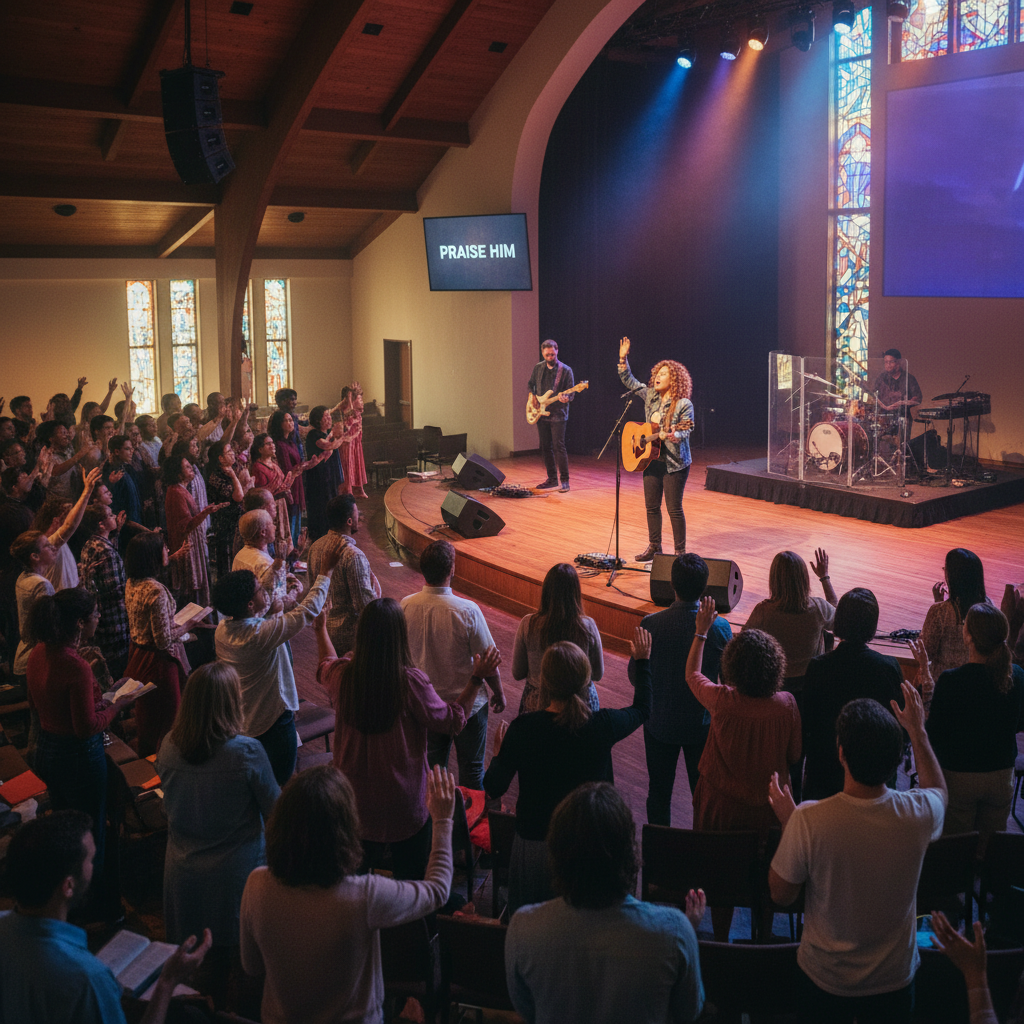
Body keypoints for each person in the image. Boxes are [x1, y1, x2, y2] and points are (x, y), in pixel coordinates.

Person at [768, 682, 947, 1023]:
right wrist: (918, 732)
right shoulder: (920, 813)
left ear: (841, 754)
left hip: (824, 980)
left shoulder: (807, 819)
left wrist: (790, 826)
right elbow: (938, 789)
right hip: (895, 981)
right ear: (898, 758)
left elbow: (781, 893)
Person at [240, 765, 456, 1024]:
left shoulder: (256, 884)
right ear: (345, 830)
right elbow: (438, 890)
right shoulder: (364, 896)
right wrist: (442, 821)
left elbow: (251, 967)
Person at [317, 597, 495, 880]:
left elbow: (325, 664)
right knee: (411, 884)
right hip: (405, 803)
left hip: (354, 801)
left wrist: (320, 630)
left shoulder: (343, 676)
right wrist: (475, 679)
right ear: (400, 636)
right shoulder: (411, 682)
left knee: (352, 883)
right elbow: (452, 721)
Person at [505, 783, 705, 1024]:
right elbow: (688, 1011)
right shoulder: (675, 932)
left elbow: (527, 1009)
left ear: (557, 852)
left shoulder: (523, 928)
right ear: (630, 854)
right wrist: (686, 930)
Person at [484, 630, 652, 914]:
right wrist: (643, 661)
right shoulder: (603, 725)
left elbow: (494, 786)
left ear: (545, 683)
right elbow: (643, 709)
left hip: (535, 847)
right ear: (586, 682)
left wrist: (498, 756)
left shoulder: (523, 729)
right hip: (590, 847)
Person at [0, 810, 212, 1024]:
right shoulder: (86, 979)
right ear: (69, 885)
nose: (94, 866)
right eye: (91, 860)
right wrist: (168, 981)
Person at [157, 661, 279, 989]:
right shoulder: (246, 752)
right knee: (242, 968)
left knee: (194, 970)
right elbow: (276, 810)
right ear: (231, 702)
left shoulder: (168, 745)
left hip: (183, 872)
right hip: (236, 875)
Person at [686, 596, 801, 940]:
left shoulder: (722, 700)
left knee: (721, 878)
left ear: (732, 666)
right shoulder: (786, 704)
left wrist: (701, 633)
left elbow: (692, 674)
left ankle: (720, 939)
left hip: (719, 809)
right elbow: (795, 755)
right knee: (767, 879)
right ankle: (762, 939)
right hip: (769, 811)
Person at [26, 588, 144, 914]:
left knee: (65, 834)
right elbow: (86, 727)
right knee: (93, 836)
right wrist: (118, 705)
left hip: (47, 751)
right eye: (95, 613)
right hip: (79, 759)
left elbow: (39, 705)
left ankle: (67, 903)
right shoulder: (76, 666)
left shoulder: (38, 652)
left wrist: (101, 701)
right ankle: (103, 907)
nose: (100, 617)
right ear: (80, 622)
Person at [628, 553, 733, 826]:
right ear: (706, 586)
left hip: (659, 723)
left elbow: (635, 676)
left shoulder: (650, 624)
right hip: (700, 727)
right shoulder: (720, 628)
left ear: (672, 585)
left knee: (658, 793)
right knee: (702, 794)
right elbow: (728, 684)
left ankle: (658, 853)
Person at [213, 563, 335, 786]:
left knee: (257, 783)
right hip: (274, 724)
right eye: (260, 590)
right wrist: (326, 573)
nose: (265, 592)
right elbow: (306, 612)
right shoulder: (259, 635)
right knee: (281, 782)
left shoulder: (222, 630)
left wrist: (270, 611)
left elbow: (257, 623)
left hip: (243, 719)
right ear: (250, 605)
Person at [401, 539, 505, 789]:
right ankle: (471, 825)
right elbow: (488, 660)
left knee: (435, 774)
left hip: (426, 705)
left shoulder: (404, 605)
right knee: (472, 771)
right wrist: (499, 693)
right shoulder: (467, 610)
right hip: (468, 705)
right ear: (452, 570)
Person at [925, 603, 1024, 837]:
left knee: (958, 849)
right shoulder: (1018, 675)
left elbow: (934, 735)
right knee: (989, 852)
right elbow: (1021, 723)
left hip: (960, 776)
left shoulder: (951, 681)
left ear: (968, 636)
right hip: (1002, 774)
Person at [801, 588, 904, 801]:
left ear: (839, 621)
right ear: (872, 627)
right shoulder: (888, 667)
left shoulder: (817, 667)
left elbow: (807, 725)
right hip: (874, 779)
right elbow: (900, 726)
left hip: (823, 776)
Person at [11, 467, 101, 683]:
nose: (52, 546)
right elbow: (48, 628)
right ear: (35, 556)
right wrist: (87, 490)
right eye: (46, 545)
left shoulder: (23, 577)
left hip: (29, 656)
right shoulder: (41, 585)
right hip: (39, 657)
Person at [124, 531, 206, 757]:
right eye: (164, 547)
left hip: (138, 654)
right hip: (158, 662)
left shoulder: (132, 582)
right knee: (169, 717)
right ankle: (166, 763)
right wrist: (190, 624)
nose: (168, 550)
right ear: (152, 555)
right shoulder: (155, 590)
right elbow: (163, 640)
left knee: (148, 714)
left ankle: (148, 757)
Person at [617, 336, 694, 560]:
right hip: (651, 459)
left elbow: (686, 429)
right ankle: (654, 547)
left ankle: (680, 553)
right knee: (651, 507)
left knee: (673, 509)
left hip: (674, 463)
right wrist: (623, 358)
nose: (657, 377)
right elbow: (629, 381)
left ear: (675, 379)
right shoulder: (650, 395)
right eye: (657, 374)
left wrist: (675, 434)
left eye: (663, 374)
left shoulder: (683, 404)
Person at [513, 562, 603, 715]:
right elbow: (597, 674)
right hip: (581, 705)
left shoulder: (528, 624)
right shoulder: (587, 625)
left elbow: (517, 672)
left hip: (537, 705)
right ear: (576, 592)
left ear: (546, 591)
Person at [308, 494, 380, 657]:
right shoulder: (353, 555)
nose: (359, 517)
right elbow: (365, 606)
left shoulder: (315, 547)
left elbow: (314, 591)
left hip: (325, 633)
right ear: (349, 522)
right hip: (350, 639)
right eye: (357, 514)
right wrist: (377, 593)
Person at [163, 453, 226, 610]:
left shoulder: (181, 490)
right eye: (187, 467)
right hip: (187, 544)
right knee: (191, 585)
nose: (192, 468)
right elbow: (185, 525)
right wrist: (206, 512)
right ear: (178, 473)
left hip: (193, 541)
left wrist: (206, 511)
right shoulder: (176, 492)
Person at [78, 504, 130, 681]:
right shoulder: (106, 552)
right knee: (118, 670)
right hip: (113, 621)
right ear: (101, 524)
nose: (114, 515)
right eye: (110, 514)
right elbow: (115, 591)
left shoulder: (90, 544)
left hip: (100, 622)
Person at [922, 547, 989, 677]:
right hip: (979, 681)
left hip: (944, 685)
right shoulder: (990, 607)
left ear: (953, 577)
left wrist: (937, 603)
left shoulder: (940, 612)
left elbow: (925, 652)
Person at [527, 340, 574, 492]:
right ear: (542, 353)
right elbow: (531, 384)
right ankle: (552, 479)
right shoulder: (538, 368)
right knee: (545, 447)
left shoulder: (566, 370)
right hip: (541, 413)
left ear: (557, 351)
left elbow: (571, 393)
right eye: (547, 354)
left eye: (552, 354)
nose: (549, 357)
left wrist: (566, 397)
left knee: (558, 446)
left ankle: (565, 481)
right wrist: (532, 396)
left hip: (558, 414)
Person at [205, 438, 246, 579]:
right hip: (224, 520)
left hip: (236, 517)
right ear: (220, 458)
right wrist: (235, 477)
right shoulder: (216, 477)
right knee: (226, 553)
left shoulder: (234, 468)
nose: (233, 454)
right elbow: (238, 496)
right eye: (228, 452)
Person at [304, 404, 345, 542]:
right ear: (317, 420)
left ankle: (330, 531)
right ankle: (319, 535)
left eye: (329, 416)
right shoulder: (313, 434)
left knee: (331, 500)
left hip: (328, 476)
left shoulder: (327, 434)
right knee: (320, 504)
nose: (329, 419)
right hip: (318, 477)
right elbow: (328, 446)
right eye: (326, 417)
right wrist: (341, 437)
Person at [338, 385, 368, 498]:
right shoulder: (346, 413)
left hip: (355, 443)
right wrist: (350, 397)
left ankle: (359, 489)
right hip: (347, 444)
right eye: (360, 399)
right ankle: (348, 489)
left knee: (357, 464)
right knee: (348, 465)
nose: (362, 402)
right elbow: (346, 427)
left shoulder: (357, 413)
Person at [872, 348, 923, 414]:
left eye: (891, 362)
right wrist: (883, 406)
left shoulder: (909, 378)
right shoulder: (881, 378)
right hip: (883, 416)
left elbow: (917, 397)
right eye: (886, 362)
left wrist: (902, 403)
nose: (888, 365)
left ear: (898, 363)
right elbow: (873, 395)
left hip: (903, 416)